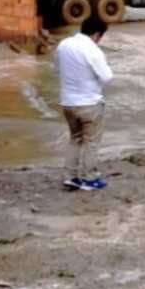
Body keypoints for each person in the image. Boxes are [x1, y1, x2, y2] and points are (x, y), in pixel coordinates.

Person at [55, 15, 113, 191]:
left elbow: (57, 67)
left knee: (75, 139)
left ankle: (70, 177)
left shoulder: (63, 45)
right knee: (91, 142)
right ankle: (90, 178)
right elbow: (107, 77)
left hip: (68, 103)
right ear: (97, 34)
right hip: (89, 103)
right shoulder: (93, 50)